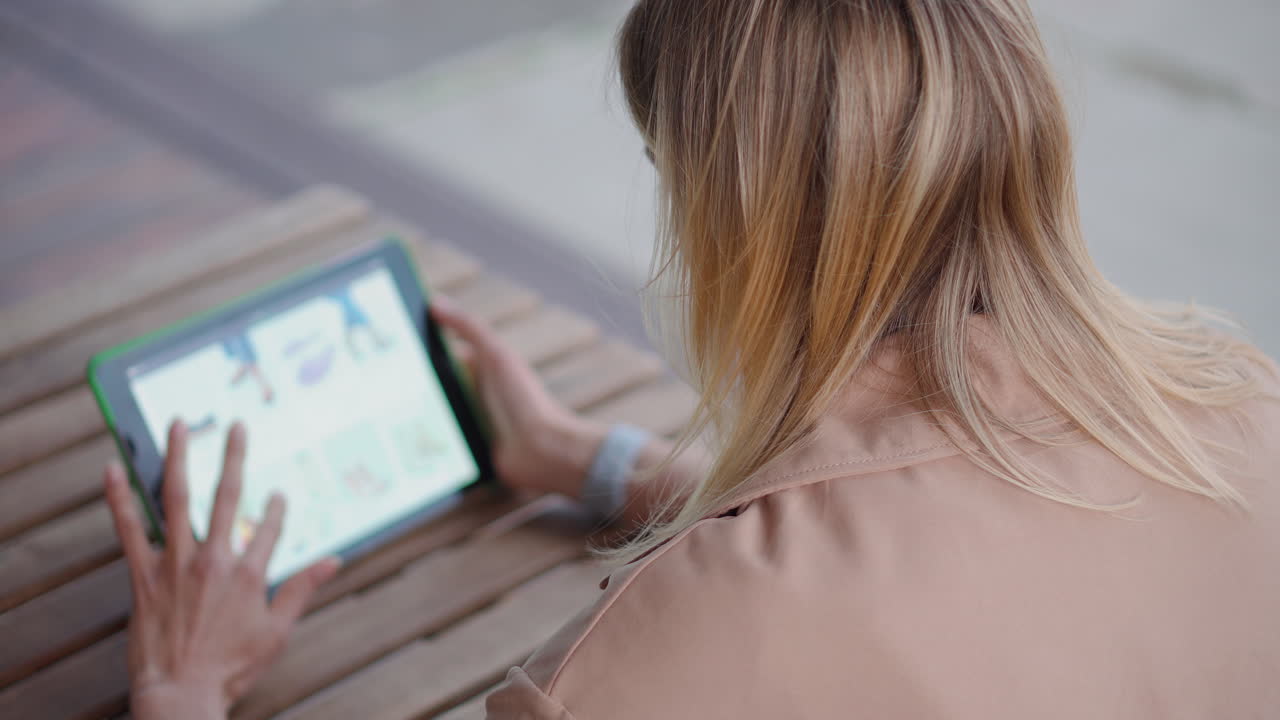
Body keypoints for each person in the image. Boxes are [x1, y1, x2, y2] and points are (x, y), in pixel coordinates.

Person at [103, 1, 1280, 718]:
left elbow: (823, 597)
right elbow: (969, 545)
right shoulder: (1233, 404)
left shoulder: (661, 653)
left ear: (735, 227)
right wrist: (591, 460)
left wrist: (183, 690)